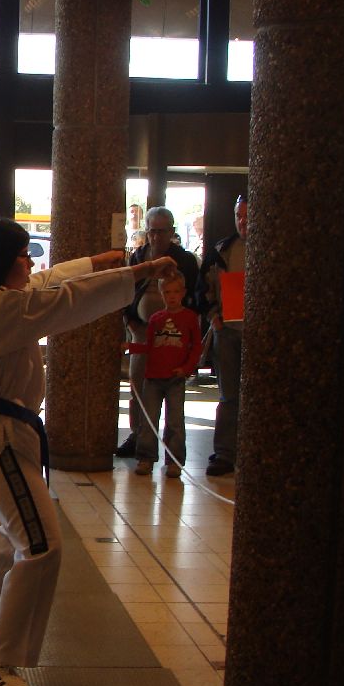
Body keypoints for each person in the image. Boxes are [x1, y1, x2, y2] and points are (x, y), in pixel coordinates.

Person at [0, 217, 173, 686]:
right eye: (22, 255)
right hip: (0, 437)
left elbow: (50, 283)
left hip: (0, 433)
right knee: (42, 546)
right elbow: (66, 299)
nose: (30, 264)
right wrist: (140, 271)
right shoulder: (2, 308)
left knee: (12, 528)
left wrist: (96, 262)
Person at [116, 207, 200, 460]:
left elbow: (194, 296)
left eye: (161, 232)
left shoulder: (183, 260)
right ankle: (138, 436)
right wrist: (130, 322)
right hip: (142, 330)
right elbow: (125, 291)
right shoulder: (139, 256)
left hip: (173, 335)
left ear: (171, 232)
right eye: (152, 231)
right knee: (138, 386)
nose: (156, 237)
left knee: (171, 394)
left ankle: (172, 447)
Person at [129, 274, 202, 478]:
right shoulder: (156, 319)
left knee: (175, 421)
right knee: (149, 419)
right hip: (153, 378)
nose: (172, 296)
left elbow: (196, 347)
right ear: (162, 294)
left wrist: (186, 368)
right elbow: (149, 346)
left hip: (175, 379)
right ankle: (145, 458)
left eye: (176, 292)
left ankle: (174, 461)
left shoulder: (189, 318)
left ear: (183, 293)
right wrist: (130, 347)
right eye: (167, 292)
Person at [196, 195, 249, 476]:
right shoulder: (222, 250)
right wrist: (214, 318)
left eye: (248, 216)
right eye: (239, 216)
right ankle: (225, 453)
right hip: (227, 330)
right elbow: (202, 288)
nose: (243, 222)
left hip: (257, 334)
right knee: (229, 396)